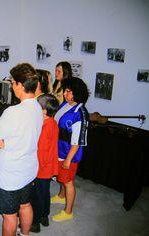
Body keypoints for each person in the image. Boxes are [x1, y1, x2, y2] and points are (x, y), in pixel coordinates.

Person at [0, 63, 43, 236]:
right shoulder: (38, 108)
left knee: (10, 215)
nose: (12, 87)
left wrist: (1, 142)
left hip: (11, 174)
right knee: (25, 204)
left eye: (12, 83)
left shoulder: (13, 112)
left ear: (20, 85)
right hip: (29, 168)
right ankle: (25, 235)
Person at [51, 77, 90, 222]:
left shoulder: (80, 114)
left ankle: (68, 212)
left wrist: (68, 160)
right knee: (62, 177)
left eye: (68, 91)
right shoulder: (66, 104)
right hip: (59, 149)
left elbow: (77, 142)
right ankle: (61, 197)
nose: (65, 94)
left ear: (76, 93)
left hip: (70, 154)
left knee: (68, 182)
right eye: (65, 90)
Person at [31, 94, 59, 232]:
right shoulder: (53, 123)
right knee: (45, 193)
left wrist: (35, 168)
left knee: (36, 196)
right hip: (49, 167)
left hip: (41, 168)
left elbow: (41, 151)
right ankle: (44, 216)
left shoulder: (44, 127)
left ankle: (35, 223)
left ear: (43, 111)